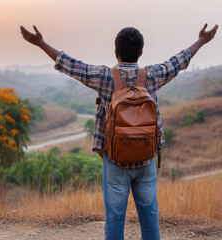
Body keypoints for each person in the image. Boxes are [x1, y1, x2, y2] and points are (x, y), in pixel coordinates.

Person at [20, 23, 218, 240]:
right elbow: (178, 61)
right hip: (146, 160)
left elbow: (70, 64)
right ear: (141, 52)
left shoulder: (104, 77)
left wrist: (40, 43)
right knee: (150, 216)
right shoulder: (152, 75)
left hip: (115, 161)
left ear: (116, 51)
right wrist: (201, 40)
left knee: (114, 218)